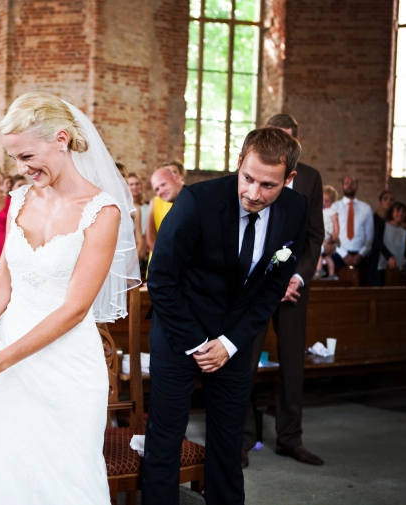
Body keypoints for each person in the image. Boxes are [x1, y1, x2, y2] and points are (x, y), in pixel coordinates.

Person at [0, 92, 139, 504]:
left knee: (60, 481)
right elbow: (2, 288)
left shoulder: (102, 211)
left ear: (61, 139)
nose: (20, 170)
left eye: (26, 156)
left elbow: (75, 309)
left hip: (66, 368)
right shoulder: (19, 200)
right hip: (7, 359)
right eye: (14, 160)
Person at [144, 127, 308, 505]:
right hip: (179, 331)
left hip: (234, 339)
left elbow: (273, 287)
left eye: (268, 185)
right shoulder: (197, 201)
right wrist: (200, 344)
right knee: (165, 438)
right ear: (239, 162)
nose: (253, 193)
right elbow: (162, 280)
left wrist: (230, 343)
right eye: (247, 178)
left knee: (229, 439)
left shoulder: (295, 209)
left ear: (289, 179)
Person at [242, 113, 325, 469]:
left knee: (293, 365)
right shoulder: (253, 177)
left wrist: (296, 278)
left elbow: (314, 236)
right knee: (244, 363)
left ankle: (290, 439)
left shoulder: (309, 178)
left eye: (287, 141)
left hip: (293, 289)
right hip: (257, 286)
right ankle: (241, 440)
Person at [368, 201, 406, 285]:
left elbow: (405, 251)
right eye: (398, 211)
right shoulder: (382, 224)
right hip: (380, 267)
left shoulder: (403, 230)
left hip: (395, 268)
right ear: (392, 212)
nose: (400, 214)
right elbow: (378, 242)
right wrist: (389, 256)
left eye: (403, 212)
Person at [331, 176, 373, 269]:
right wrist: (344, 254)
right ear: (342, 186)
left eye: (352, 183)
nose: (349, 186)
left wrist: (361, 254)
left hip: (360, 256)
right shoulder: (335, 207)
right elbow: (332, 234)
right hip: (339, 253)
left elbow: (369, 236)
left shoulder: (366, 208)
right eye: (346, 183)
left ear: (357, 186)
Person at [146, 166, 183, 265]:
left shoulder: (192, 200)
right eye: (157, 189)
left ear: (176, 178)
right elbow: (150, 238)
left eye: (163, 184)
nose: (161, 191)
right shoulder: (156, 202)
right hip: (161, 261)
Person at [320, 185, 341, 278]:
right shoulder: (321, 211)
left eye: (327, 200)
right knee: (319, 255)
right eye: (323, 199)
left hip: (328, 237)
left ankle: (332, 274)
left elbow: (336, 225)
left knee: (326, 256)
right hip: (321, 236)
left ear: (333, 201)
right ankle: (319, 271)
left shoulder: (332, 211)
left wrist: (335, 237)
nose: (324, 202)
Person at [127, 172, 149, 260]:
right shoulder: (125, 208)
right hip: (129, 245)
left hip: (142, 246)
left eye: (137, 184)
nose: (134, 187)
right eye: (131, 184)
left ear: (141, 185)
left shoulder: (147, 208)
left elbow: (146, 232)